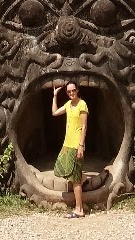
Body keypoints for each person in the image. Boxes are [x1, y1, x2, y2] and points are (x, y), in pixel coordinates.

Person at [52, 80, 88, 218]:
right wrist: (55, 96)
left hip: (76, 145)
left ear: (77, 90)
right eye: (68, 91)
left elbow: (84, 127)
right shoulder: (68, 104)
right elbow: (54, 112)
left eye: (73, 90)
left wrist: (81, 146)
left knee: (75, 179)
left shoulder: (82, 104)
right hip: (67, 144)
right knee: (60, 168)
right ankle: (84, 178)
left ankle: (79, 209)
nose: (71, 93)